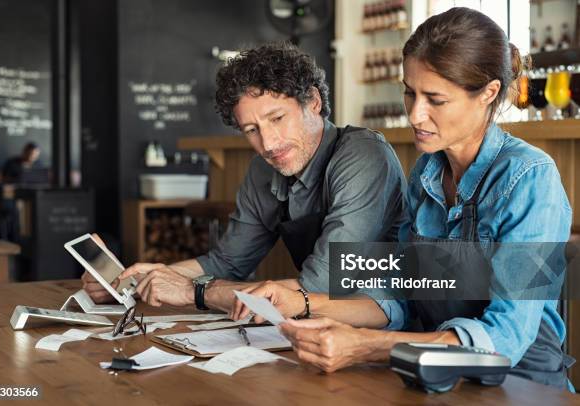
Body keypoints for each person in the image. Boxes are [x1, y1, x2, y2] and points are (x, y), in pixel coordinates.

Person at [239, 8, 574, 390]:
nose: (415, 114)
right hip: (436, 377)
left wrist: (367, 346)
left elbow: (506, 339)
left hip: (522, 386)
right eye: (409, 92)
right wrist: (301, 302)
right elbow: (400, 298)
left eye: (435, 99)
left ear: (488, 93)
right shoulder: (426, 174)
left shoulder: (531, 179)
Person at [82, 42, 407, 325]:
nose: (268, 143)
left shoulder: (364, 156)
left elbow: (320, 284)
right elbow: (228, 262)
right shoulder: (263, 170)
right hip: (314, 328)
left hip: (384, 328)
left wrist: (193, 291)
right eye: (251, 129)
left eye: (277, 119)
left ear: (313, 102)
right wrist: (139, 281)